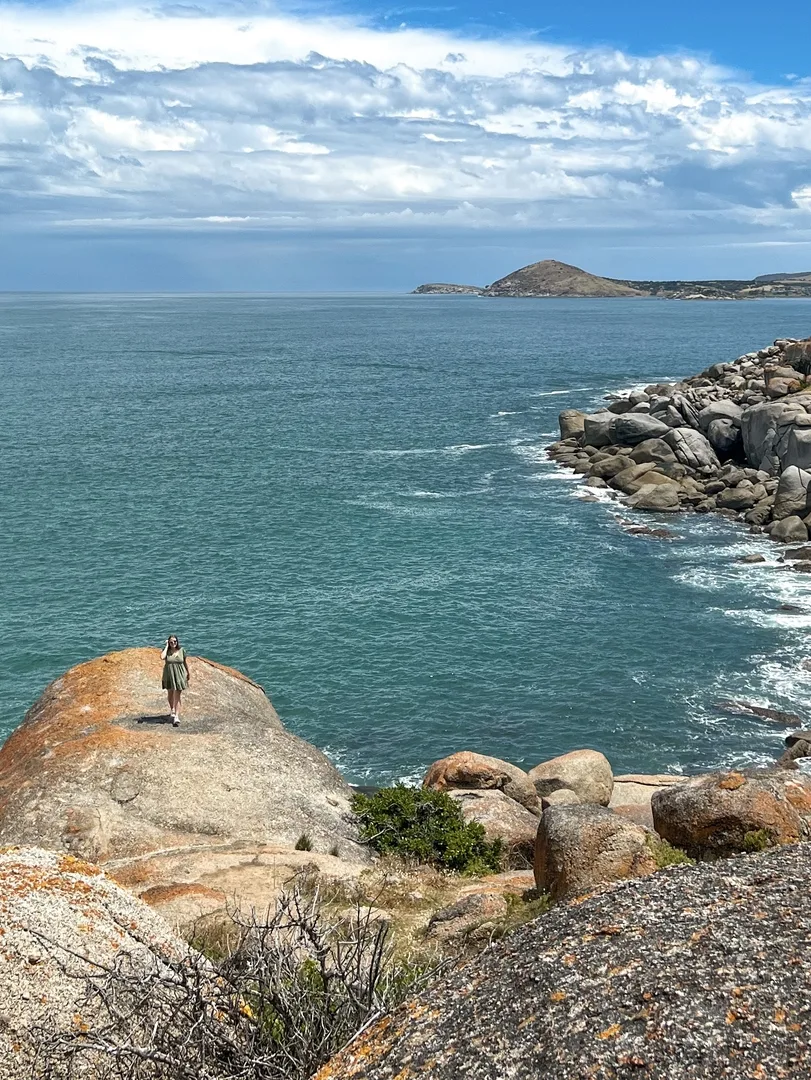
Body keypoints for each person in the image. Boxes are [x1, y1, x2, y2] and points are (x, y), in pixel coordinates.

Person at [160, 635, 190, 727]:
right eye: (171, 642)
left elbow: (185, 662)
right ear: (169, 643)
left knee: (177, 695)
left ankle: (176, 716)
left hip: (179, 675)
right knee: (170, 694)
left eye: (175, 641)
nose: (173, 643)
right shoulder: (167, 651)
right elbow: (162, 657)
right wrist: (166, 646)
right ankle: (172, 709)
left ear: (177, 642)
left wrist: (188, 673)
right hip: (169, 674)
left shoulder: (182, 651)